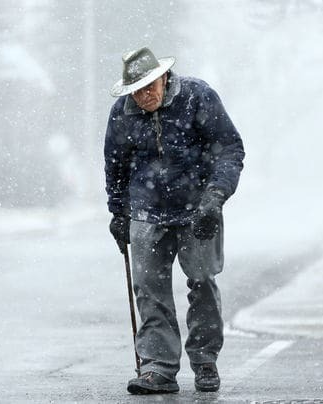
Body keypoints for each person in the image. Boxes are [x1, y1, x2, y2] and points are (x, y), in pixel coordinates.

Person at [104, 47, 245, 394]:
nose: (143, 95)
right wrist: (117, 211)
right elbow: (115, 166)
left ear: (164, 77)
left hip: (198, 208)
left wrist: (214, 198)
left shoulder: (198, 97)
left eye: (148, 86)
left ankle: (205, 358)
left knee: (202, 282)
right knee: (149, 291)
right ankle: (158, 369)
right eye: (135, 90)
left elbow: (230, 150)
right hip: (146, 210)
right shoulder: (122, 113)